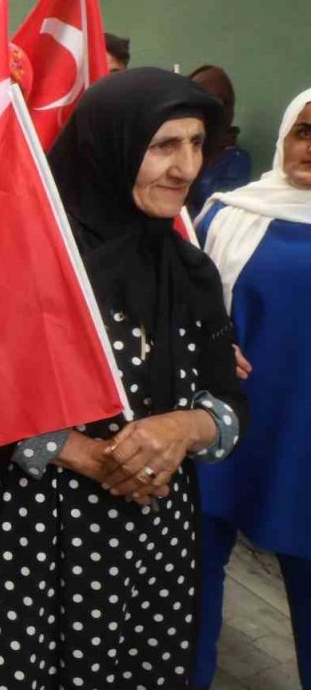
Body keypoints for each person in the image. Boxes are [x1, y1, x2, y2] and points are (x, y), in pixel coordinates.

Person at [0, 68, 248, 689]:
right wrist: (84, 453)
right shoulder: (36, 261)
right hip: (37, 530)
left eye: (197, 144)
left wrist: (187, 426)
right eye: (163, 145)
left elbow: (229, 403)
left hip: (153, 537)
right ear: (110, 145)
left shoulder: (192, 272)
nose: (186, 167)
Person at [193, 88, 311, 689]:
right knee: (194, 579)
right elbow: (188, 307)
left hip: (304, 437)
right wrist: (208, 344)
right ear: (286, 136)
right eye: (304, 132)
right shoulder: (228, 211)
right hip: (224, 422)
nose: (310, 148)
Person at [188, 65, 252, 215]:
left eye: (216, 104)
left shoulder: (236, 159)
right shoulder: (179, 145)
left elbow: (219, 207)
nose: (208, 111)